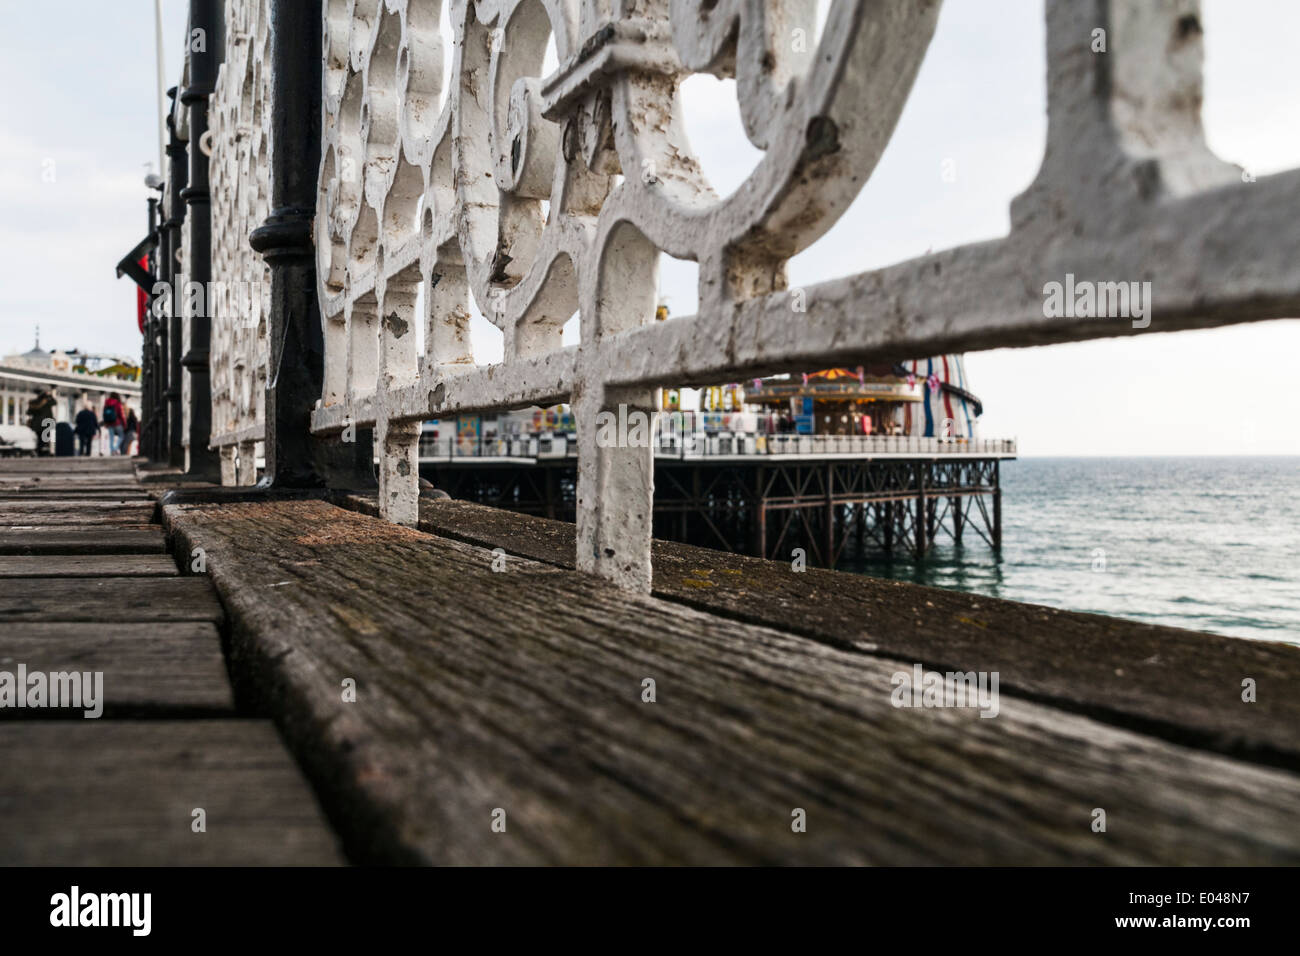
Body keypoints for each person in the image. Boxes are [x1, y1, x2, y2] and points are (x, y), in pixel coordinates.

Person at [26, 389, 57, 456]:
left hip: (36, 424)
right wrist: (50, 395)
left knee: (40, 438)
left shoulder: (34, 402)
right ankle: (41, 451)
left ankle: (39, 451)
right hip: (46, 423)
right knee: (44, 439)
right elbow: (55, 402)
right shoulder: (47, 402)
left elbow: (28, 412)